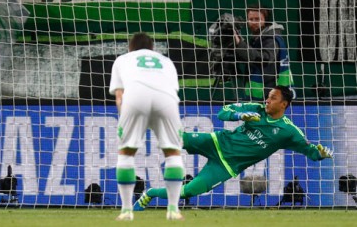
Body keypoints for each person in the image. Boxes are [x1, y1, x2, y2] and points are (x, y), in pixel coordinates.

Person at [136, 86, 334, 209]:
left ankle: (150, 193)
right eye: (267, 96)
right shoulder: (256, 109)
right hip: (216, 142)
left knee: (189, 191)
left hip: (226, 166)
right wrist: (240, 116)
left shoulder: (289, 132)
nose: (267, 100)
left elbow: (310, 152)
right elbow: (224, 111)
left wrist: (321, 154)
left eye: (272, 98)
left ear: (284, 104)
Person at [109, 33, 185, 221]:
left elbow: (120, 96)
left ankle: (127, 210)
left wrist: (124, 122)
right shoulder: (166, 61)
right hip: (165, 99)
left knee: (126, 153)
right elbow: (172, 89)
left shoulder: (122, 59)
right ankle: (173, 210)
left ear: (130, 48)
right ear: (152, 49)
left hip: (135, 97)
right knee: (173, 153)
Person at [233, 4, 292, 100]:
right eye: (251, 19)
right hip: (266, 95)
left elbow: (264, 59)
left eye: (257, 19)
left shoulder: (271, 38)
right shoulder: (258, 38)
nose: (254, 22)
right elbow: (250, 57)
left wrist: (240, 43)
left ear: (266, 20)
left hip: (271, 95)